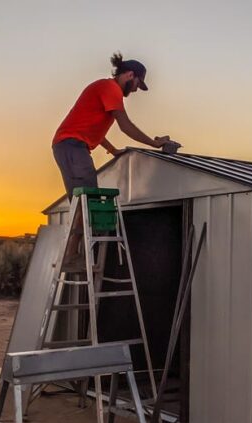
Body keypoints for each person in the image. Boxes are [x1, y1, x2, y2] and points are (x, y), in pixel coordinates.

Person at [52, 52, 176, 269]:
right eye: (138, 83)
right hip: (72, 146)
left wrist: (111, 150)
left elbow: (91, 126)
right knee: (85, 201)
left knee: (84, 200)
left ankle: (74, 253)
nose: (136, 89)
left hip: (73, 146)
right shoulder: (110, 89)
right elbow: (125, 125)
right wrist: (153, 143)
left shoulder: (105, 91)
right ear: (130, 75)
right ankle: (71, 255)